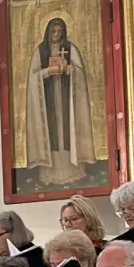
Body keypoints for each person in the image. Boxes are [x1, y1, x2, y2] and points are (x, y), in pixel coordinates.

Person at [24, 16, 100, 187]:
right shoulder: (40, 51)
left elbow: (80, 72)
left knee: (66, 130)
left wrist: (68, 69)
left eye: (59, 31)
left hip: (67, 99)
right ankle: (50, 173)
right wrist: (47, 72)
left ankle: (72, 170)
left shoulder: (70, 49)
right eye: (53, 31)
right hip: (48, 99)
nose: (56, 35)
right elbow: (33, 77)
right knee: (53, 131)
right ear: (48, 32)